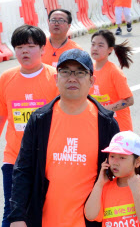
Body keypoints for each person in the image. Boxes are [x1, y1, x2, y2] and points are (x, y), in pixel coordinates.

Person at [8, 49, 120, 227]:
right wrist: (17, 216)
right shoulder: (40, 120)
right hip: (44, 221)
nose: (72, 78)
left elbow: (118, 174)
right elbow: (23, 169)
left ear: (92, 80)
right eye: (65, 71)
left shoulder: (106, 123)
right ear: (56, 78)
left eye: (80, 72)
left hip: (90, 221)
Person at [0, 26, 58, 227]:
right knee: (12, 212)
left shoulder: (55, 77)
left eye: (31, 46)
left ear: (43, 49)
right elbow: (1, 116)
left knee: (45, 213)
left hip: (48, 160)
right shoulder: (6, 78)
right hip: (14, 160)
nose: (24, 51)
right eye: (19, 47)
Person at [84, 131, 140, 227]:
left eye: (122, 158)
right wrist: (99, 184)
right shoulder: (105, 187)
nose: (115, 162)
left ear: (137, 162)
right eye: (112, 156)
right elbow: (90, 215)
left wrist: (136, 192)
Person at [89, 30, 135, 131]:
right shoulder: (89, 70)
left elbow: (129, 100)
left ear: (110, 49)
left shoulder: (114, 72)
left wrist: (105, 110)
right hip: (100, 127)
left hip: (119, 129)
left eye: (100, 45)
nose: (95, 48)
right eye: (93, 44)